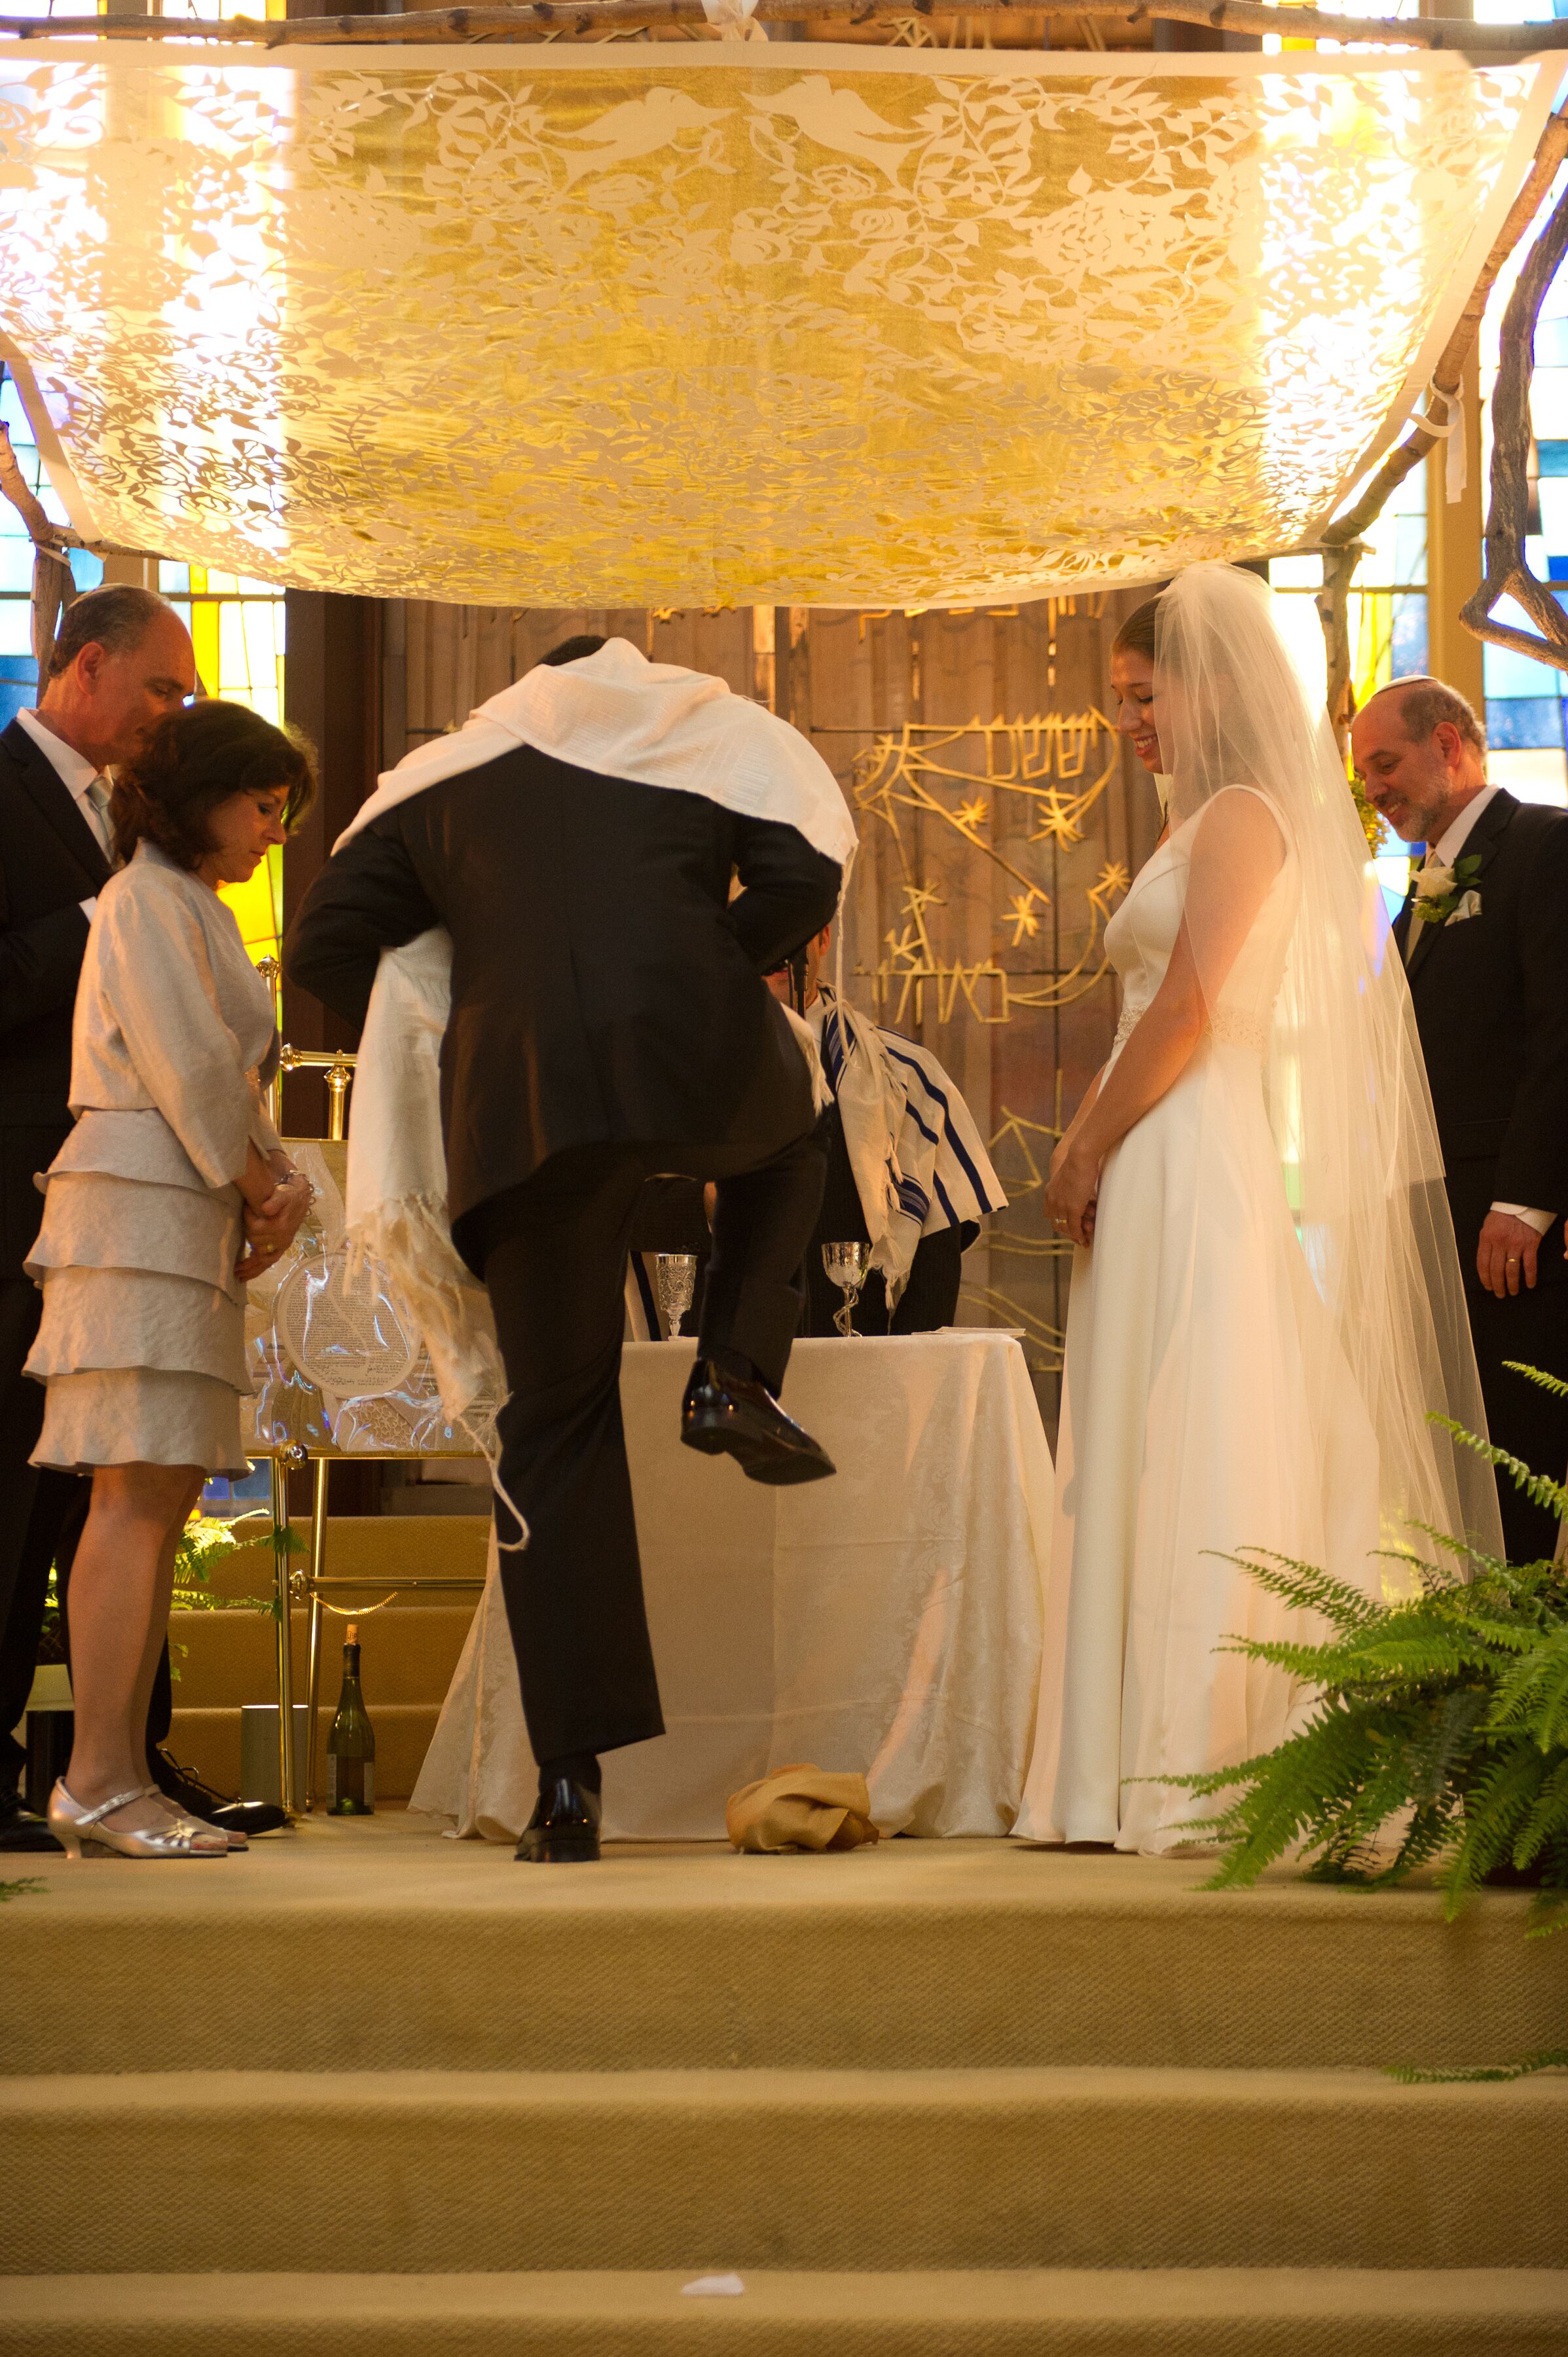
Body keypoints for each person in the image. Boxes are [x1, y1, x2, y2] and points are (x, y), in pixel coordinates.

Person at [285, 633, 852, 1863]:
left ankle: (569, 1787)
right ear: (632, 671)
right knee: (792, 1137)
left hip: (520, 1103)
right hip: (693, 1050)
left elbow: (324, 940)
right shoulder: (705, 732)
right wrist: (708, 956)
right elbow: (809, 875)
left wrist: (478, 975)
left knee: (555, 1424)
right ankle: (736, 1371)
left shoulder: (451, 771)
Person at [1016, 566, 1500, 1854]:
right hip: (1161, 1140)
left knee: (1203, 1413)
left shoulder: (1240, 817)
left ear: (1209, 683)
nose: (1129, 720)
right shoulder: (1195, 819)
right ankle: (1114, 1761)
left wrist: (1085, 1147)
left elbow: (1187, 1007)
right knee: (1149, 1417)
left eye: (1140, 694)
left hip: (1190, 1145)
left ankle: (1202, 1750)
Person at [29, 699, 316, 1858]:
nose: (272, 832)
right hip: (140, 1204)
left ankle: (114, 1773)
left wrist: (276, 1180)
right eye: (261, 807)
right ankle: (97, 1777)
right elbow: (190, 1068)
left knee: (155, 1497)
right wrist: (263, 1185)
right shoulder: (147, 896)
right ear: (199, 798)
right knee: (133, 1498)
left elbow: (227, 1083)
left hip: (175, 1205)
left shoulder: (183, 902)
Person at [1, 585, 191, 1854]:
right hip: (13, 1196)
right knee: (11, 1484)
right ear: (80, 667)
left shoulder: (135, 819)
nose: (170, 719)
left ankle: (122, 1759)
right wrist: (98, 923)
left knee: (111, 1486)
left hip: (113, 1204)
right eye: (161, 690)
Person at [1351, 678, 1568, 1563]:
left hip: (1503, 1229)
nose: (1374, 788)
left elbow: (1561, 1030)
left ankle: (1522, 1681)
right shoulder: (1421, 886)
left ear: (1447, 745)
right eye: (1364, 773)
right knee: (1455, 1469)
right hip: (1431, 1218)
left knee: (1515, 1458)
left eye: (1385, 764)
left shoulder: (1545, 846)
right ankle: (1474, 1674)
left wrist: (1523, 1201)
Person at [627, 926, 1006, 1337]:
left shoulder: (904, 1076)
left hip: (862, 1374)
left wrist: (907, 1378)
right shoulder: (668, 1073)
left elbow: (937, 1253)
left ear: (823, 938)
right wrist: (708, 1199)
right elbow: (617, 1210)